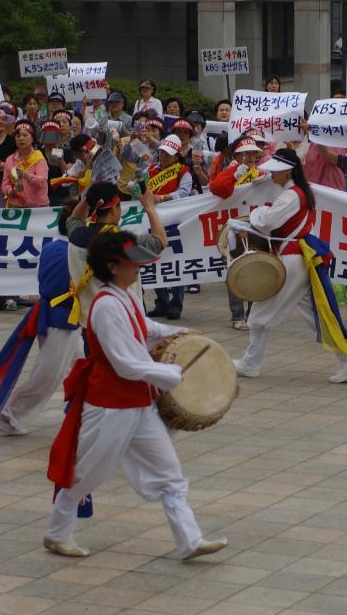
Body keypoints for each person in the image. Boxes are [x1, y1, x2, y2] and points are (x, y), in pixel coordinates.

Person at [43, 230, 228, 560]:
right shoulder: (105, 306)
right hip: (109, 405)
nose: (139, 269)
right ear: (113, 267)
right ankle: (57, 533)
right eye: (134, 264)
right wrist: (173, 375)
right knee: (87, 474)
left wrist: (181, 332)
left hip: (138, 403)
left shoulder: (123, 296)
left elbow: (146, 327)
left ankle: (190, 540)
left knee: (170, 474)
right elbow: (125, 364)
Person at [0, 188, 169, 437]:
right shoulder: (121, 243)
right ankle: (115, 424)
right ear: (116, 210)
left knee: (88, 371)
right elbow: (161, 241)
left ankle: (91, 416)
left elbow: (72, 221)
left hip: (88, 324)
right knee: (119, 373)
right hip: (118, 322)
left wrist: (88, 197)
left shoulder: (77, 237)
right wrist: (150, 207)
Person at [230, 149, 347, 384]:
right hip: (299, 258)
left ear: (288, 171)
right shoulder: (299, 192)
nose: (272, 174)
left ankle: (251, 363)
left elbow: (269, 222)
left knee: (261, 310)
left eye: (276, 171)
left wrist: (257, 213)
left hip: (291, 260)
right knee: (316, 314)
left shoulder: (292, 195)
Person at [209, 136, 267, 329]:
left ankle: (253, 314)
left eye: (253, 153)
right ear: (237, 156)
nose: (250, 157)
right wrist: (235, 176)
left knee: (255, 271)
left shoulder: (260, 173)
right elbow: (217, 189)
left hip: (254, 227)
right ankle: (237, 316)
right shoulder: (231, 172)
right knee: (234, 270)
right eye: (246, 153)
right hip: (233, 228)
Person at [143, 134, 193, 319]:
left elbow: (183, 193)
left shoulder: (183, 171)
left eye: (168, 154)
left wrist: (161, 198)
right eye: (162, 153)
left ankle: (176, 304)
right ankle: (161, 301)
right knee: (155, 260)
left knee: (175, 262)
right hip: (153, 221)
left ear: (177, 155)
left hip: (175, 222)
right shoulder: (149, 170)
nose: (163, 157)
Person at [3, 120, 50, 208]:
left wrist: (25, 175)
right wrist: (10, 191)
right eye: (18, 136)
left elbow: (41, 182)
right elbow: (5, 183)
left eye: (25, 135)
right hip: (16, 205)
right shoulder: (10, 160)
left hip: (38, 207)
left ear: (32, 138)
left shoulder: (38, 157)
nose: (21, 138)